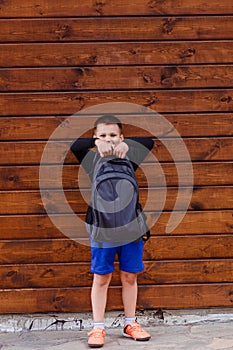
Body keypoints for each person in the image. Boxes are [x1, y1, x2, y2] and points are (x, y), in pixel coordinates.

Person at [71, 115, 154, 348]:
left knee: (130, 276)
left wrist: (126, 145)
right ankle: (98, 327)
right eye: (103, 135)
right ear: (96, 138)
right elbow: (74, 145)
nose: (109, 139)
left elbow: (148, 141)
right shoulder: (91, 159)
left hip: (131, 228)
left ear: (121, 137)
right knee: (102, 277)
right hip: (102, 229)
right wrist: (95, 143)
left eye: (113, 135)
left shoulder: (128, 157)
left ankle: (130, 323)